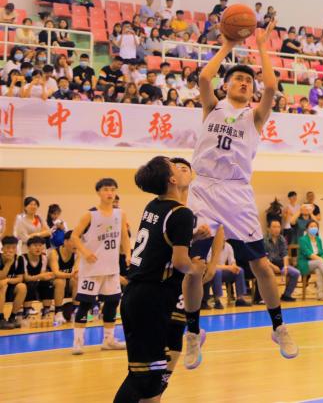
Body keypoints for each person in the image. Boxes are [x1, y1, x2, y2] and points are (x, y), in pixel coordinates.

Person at [182, 23, 297, 369]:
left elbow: (271, 87)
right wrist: (227, 45)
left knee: (260, 264)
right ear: (227, 85)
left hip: (237, 192)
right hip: (204, 189)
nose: (245, 83)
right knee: (195, 267)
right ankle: (192, 333)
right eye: (238, 79)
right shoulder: (212, 107)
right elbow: (204, 77)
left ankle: (279, 327)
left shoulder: (255, 116)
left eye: (249, 80)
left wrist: (261, 45)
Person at [113, 156, 215, 403]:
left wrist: (191, 236)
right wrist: (196, 268)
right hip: (152, 298)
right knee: (145, 380)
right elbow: (180, 262)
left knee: (146, 375)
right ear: (172, 180)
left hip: (136, 295)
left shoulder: (153, 206)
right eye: (174, 167)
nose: (180, 168)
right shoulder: (182, 213)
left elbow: (161, 242)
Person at [69, 177, 130, 354]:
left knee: (112, 302)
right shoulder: (90, 215)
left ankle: (108, 340)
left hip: (111, 268)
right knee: (85, 304)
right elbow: (74, 236)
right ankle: (78, 342)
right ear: (98, 192)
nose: (110, 193)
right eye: (106, 189)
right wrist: (85, 252)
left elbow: (125, 236)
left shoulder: (120, 214)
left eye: (112, 189)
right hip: (92, 269)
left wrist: (128, 254)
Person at [263, 220, 299, 302]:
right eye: (274, 227)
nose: (277, 229)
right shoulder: (264, 239)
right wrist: (273, 267)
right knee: (266, 273)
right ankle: (267, 297)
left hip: (280, 264)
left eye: (278, 227)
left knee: (296, 273)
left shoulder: (282, 238)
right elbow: (263, 257)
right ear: (269, 228)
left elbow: (285, 254)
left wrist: (286, 266)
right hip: (268, 264)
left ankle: (286, 295)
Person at [297, 222, 323, 302]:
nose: (313, 228)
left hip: (317, 263)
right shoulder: (302, 239)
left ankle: (320, 295)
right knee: (319, 263)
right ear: (307, 229)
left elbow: (321, 253)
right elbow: (308, 253)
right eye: (311, 226)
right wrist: (322, 260)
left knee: (319, 269)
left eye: (315, 226)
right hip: (305, 263)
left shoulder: (318, 239)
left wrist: (321, 259)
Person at [0, 235, 27, 329]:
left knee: (22, 287)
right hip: (1, 288)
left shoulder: (19, 259)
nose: (11, 250)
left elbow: (20, 278)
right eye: (8, 247)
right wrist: (8, 263)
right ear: (2, 248)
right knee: (2, 286)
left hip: (9, 287)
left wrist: (7, 280)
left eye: (13, 248)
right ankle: (0, 319)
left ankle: (12, 317)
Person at [49, 234, 77, 324]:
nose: (76, 244)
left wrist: (72, 275)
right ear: (65, 242)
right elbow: (56, 273)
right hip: (52, 282)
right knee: (60, 281)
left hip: (68, 281)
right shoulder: (54, 253)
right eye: (73, 241)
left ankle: (76, 311)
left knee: (76, 281)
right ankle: (58, 312)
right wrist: (71, 275)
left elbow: (76, 272)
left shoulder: (77, 253)